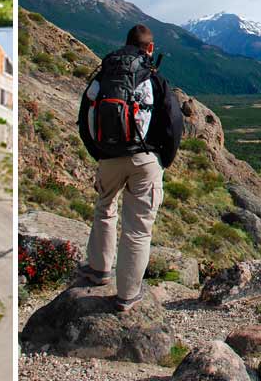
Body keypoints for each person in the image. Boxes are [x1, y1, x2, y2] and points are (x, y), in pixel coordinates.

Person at [74, 24, 183, 312]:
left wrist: (100, 153)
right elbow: (172, 122)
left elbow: (84, 118)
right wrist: (162, 160)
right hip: (144, 158)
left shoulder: (104, 75)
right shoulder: (152, 78)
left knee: (105, 207)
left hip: (108, 156)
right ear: (150, 47)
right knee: (138, 229)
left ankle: (98, 270)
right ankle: (128, 295)